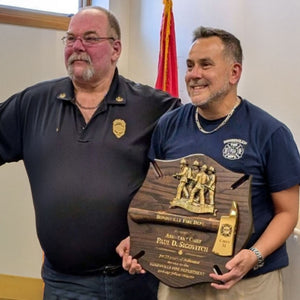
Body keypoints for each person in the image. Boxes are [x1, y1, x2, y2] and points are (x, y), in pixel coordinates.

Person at [0, 6, 180, 300]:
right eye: (71, 39)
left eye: (90, 38)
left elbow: (188, 174)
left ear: (115, 49)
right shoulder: (33, 103)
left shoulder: (155, 108)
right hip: (63, 283)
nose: (77, 47)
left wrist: (152, 231)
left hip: (131, 280)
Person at [116, 26, 300, 300]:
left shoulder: (269, 132)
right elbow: (158, 197)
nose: (193, 75)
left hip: (244, 284)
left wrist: (254, 255)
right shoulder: (169, 125)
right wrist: (142, 239)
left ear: (234, 72)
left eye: (206, 65)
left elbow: (287, 212)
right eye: (190, 65)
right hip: (179, 279)